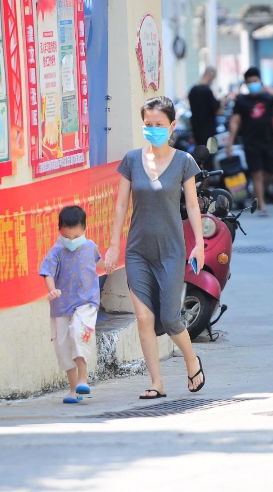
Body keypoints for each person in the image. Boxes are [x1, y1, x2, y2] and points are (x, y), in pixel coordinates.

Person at [105, 96, 206, 399]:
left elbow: (191, 205)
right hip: (138, 251)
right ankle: (156, 382)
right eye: (148, 125)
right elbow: (121, 204)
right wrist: (113, 247)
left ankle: (192, 361)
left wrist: (199, 245)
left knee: (170, 318)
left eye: (159, 125)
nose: (152, 130)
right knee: (145, 319)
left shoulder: (184, 162)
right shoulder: (132, 161)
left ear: (172, 126)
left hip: (171, 251)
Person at [39, 205, 104, 404]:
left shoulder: (91, 246)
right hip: (61, 306)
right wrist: (52, 290)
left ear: (84, 229)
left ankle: (83, 379)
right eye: (68, 237)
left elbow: (99, 263)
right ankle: (73, 389)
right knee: (63, 346)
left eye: (76, 237)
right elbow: (47, 271)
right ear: (60, 231)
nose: (72, 242)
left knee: (79, 331)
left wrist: (109, 262)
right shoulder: (57, 250)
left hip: (86, 301)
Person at [226, 67, 273, 217]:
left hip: (268, 140)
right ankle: (261, 204)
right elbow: (234, 121)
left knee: (271, 172)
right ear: (246, 84)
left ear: (260, 81)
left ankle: (257, 192)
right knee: (257, 174)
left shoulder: (268, 98)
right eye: (249, 82)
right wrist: (230, 143)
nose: (253, 84)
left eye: (255, 81)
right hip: (251, 142)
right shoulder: (242, 100)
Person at [188, 67, 225, 169]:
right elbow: (217, 112)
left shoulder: (192, 90)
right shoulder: (207, 91)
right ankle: (208, 182)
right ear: (211, 75)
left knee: (200, 157)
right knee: (210, 158)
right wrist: (222, 103)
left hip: (197, 130)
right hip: (209, 130)